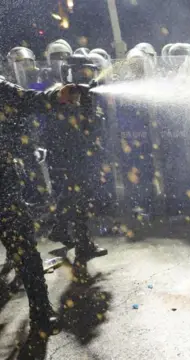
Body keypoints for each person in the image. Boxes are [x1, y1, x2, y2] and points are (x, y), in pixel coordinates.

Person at [0, 76, 78, 334]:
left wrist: (56, 96)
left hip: (3, 181)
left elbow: (24, 99)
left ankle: (41, 312)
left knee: (23, 248)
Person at [46, 54, 109, 262]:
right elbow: (79, 127)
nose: (87, 75)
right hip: (73, 157)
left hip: (80, 155)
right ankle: (83, 245)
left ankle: (60, 228)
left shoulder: (84, 95)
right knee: (81, 200)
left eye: (89, 71)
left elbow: (93, 126)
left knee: (73, 195)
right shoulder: (63, 96)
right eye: (84, 71)